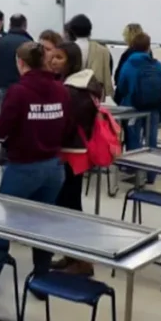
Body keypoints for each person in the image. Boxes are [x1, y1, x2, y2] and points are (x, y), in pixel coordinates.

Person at [0, 41, 69, 305]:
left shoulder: (18, 92)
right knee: (41, 226)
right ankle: (41, 279)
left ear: (21, 63)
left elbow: (0, 130)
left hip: (23, 168)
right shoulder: (61, 90)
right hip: (53, 168)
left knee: (2, 225)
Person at [53, 41, 103, 276]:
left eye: (59, 58)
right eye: (53, 56)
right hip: (77, 152)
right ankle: (72, 255)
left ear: (71, 61)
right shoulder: (83, 85)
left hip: (71, 153)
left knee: (69, 207)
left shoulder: (73, 90)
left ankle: (82, 260)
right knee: (69, 205)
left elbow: (67, 124)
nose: (53, 61)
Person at [115, 32, 161, 182]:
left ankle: (135, 173)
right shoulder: (157, 64)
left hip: (133, 107)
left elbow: (122, 85)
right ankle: (151, 174)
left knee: (134, 139)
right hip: (154, 107)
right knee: (152, 140)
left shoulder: (129, 64)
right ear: (148, 47)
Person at [64, 14, 113, 98]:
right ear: (90, 29)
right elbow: (107, 79)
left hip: (72, 95)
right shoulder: (103, 50)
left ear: (71, 30)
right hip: (96, 97)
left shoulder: (67, 49)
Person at [0, 13, 33, 90]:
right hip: (23, 88)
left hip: (1, 88)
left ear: (10, 25)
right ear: (25, 25)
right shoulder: (30, 44)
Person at [112, 22, 145, 102]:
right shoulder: (147, 53)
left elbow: (119, 76)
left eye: (125, 35)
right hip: (142, 97)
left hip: (127, 97)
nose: (124, 37)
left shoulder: (128, 54)